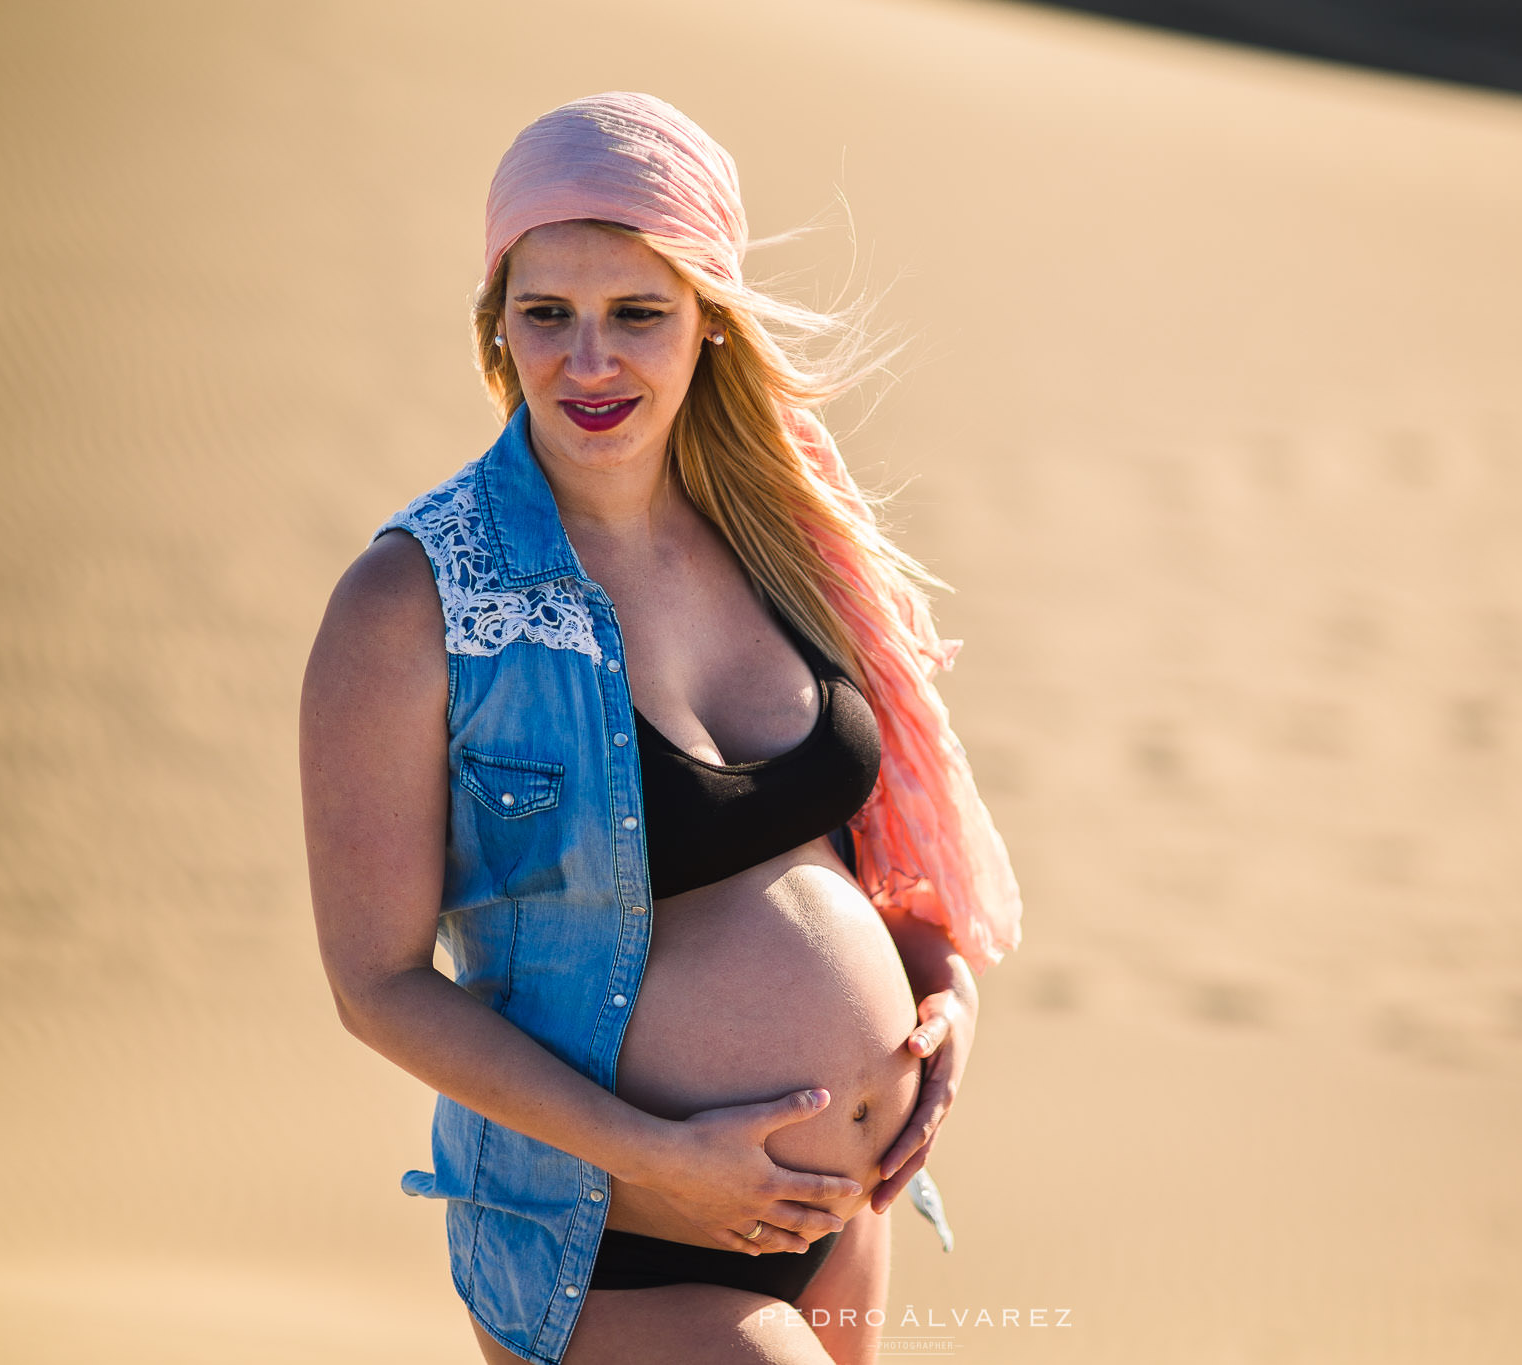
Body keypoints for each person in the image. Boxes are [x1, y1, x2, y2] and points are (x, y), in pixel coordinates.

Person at [299, 92, 1021, 1365]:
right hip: (610, 1237)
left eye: (637, 314)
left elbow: (858, 852)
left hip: (841, 1223)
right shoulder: (418, 599)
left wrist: (941, 998)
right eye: (546, 315)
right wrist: (662, 1160)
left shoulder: (785, 534)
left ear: (709, 326)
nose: (588, 363)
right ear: (496, 327)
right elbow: (377, 983)